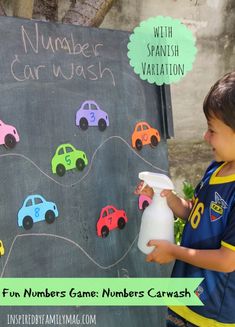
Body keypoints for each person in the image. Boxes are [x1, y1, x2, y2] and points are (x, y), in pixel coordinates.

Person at [135, 72, 235, 327]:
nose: (205, 136)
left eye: (212, 130)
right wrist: (166, 198)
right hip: (183, 300)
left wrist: (174, 252)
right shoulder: (216, 169)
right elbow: (196, 215)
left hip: (211, 315)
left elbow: (227, 261)